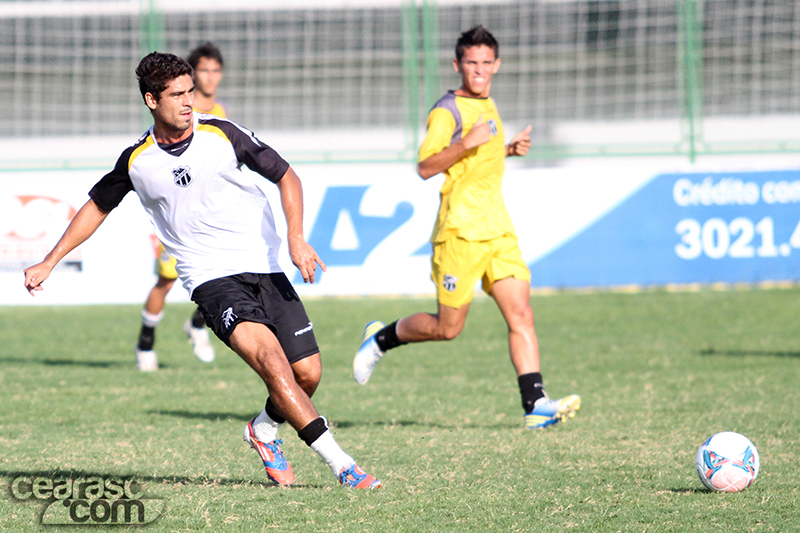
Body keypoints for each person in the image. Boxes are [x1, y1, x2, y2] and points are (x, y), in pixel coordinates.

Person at [24, 51, 381, 489]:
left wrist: (295, 237)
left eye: (190, 91)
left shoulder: (223, 133)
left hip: (266, 266)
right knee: (272, 362)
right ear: (152, 100)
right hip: (210, 278)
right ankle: (343, 466)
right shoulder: (137, 160)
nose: (188, 101)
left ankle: (263, 430)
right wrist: (50, 260)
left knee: (306, 374)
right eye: (177, 95)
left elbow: (287, 176)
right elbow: (97, 207)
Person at [353, 25, 581, 430]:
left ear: (497, 65)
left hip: (498, 229)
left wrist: (506, 150)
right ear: (457, 64)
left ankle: (536, 405)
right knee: (448, 328)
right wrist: (467, 142)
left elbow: (478, 159)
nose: (479, 70)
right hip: (459, 233)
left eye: (485, 63)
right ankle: (382, 338)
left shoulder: (488, 103)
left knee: (522, 313)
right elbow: (426, 167)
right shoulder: (447, 110)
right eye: (471, 63)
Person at [135, 43, 227, 372]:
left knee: (227, 272)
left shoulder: (220, 112)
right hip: (177, 218)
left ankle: (198, 325)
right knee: (166, 280)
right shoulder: (175, 111)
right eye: (204, 70)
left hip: (209, 216)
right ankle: (145, 343)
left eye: (216, 71)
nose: (210, 77)